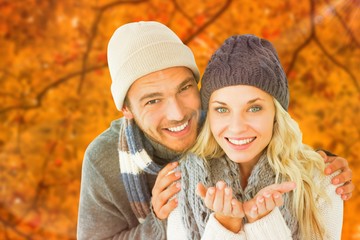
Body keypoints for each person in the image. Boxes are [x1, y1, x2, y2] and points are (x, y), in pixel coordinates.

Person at [77, 21, 353, 239]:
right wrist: (160, 224)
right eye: (153, 100)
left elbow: (268, 127)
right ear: (126, 109)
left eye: (185, 88)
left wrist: (319, 164)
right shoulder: (105, 160)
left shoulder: (217, 115)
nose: (178, 114)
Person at [167, 34, 344, 239]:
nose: (237, 127)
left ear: (276, 113)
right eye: (222, 110)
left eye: (254, 108)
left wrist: (266, 224)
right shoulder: (182, 181)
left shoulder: (321, 180)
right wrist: (225, 226)